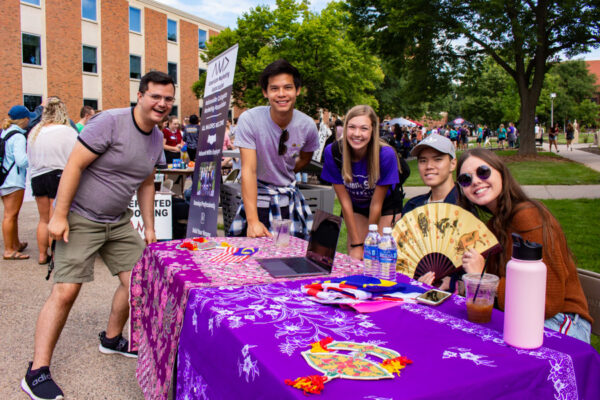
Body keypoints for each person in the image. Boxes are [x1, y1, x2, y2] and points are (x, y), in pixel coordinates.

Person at [21, 71, 172, 400]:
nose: (161, 103)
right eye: (155, 96)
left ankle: (112, 339)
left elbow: (146, 182)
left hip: (117, 221)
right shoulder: (109, 123)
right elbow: (74, 165)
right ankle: (37, 371)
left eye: (168, 99)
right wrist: (59, 216)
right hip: (81, 217)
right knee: (66, 290)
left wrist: (149, 227)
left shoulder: (157, 137)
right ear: (141, 95)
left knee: (138, 281)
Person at [456, 148, 592, 343]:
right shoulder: (493, 226)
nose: (476, 181)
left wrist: (483, 279)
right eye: (466, 179)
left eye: (483, 171)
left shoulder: (528, 216)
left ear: (501, 173)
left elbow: (547, 304)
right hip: (520, 317)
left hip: (561, 322)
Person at [230, 59, 319, 238]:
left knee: (292, 257)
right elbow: (249, 169)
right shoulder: (249, 119)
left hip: (290, 199)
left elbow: (305, 158)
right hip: (257, 198)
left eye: (287, 87)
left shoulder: (308, 125)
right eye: (274, 88)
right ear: (265, 92)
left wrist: (283, 170)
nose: (281, 94)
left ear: (297, 90)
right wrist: (253, 221)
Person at [321, 105, 403, 260]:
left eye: (364, 128)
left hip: (385, 204)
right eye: (352, 127)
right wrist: (357, 244)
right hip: (356, 205)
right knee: (355, 255)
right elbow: (344, 202)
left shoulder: (385, 154)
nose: (357, 134)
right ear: (345, 128)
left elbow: (376, 204)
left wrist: (368, 243)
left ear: (373, 131)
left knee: (379, 256)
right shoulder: (333, 152)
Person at [401, 133, 459, 289]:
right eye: (423, 161)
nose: (429, 166)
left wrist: (452, 282)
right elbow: (403, 257)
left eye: (438, 159)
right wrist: (414, 280)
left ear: (452, 164)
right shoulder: (413, 207)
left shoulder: (464, 208)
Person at [27, 97, 78, 265]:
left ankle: (42, 255)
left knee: (43, 219)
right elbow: (76, 156)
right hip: (58, 175)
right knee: (56, 217)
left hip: (38, 176)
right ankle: (56, 256)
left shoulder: (35, 131)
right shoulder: (68, 131)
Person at [1, 105, 32, 260]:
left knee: (11, 214)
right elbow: (21, 161)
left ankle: (15, 243)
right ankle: (9, 250)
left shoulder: (4, 133)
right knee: (10, 215)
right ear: (24, 119)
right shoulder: (19, 136)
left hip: (4, 178)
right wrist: (32, 157)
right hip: (14, 180)